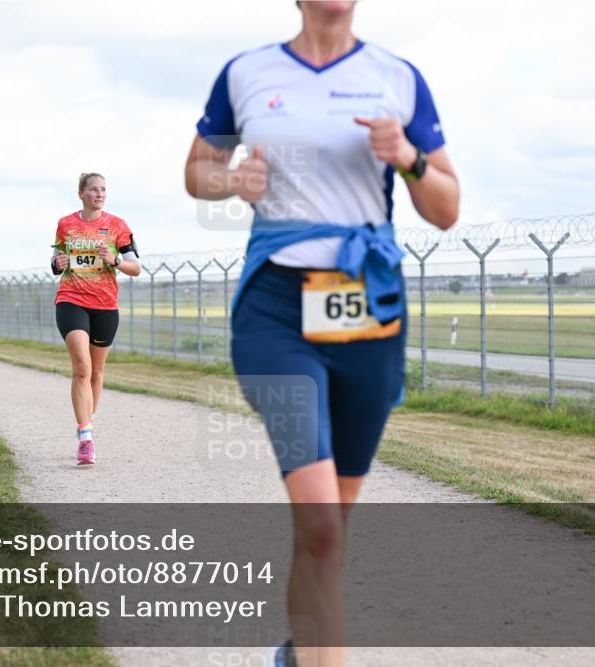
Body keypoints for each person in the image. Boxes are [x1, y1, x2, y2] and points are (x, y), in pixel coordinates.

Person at [185, 2, 460, 664]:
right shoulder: (246, 73)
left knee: (329, 531)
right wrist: (231, 179)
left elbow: (447, 207)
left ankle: (297, 652)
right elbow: (196, 169)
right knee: (318, 522)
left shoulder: (398, 77)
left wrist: (409, 157)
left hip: (366, 306)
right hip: (276, 308)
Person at [52, 172, 141, 465]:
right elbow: (57, 259)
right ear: (81, 193)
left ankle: (86, 422)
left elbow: (135, 268)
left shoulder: (118, 226)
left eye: (103, 189)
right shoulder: (66, 224)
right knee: (82, 368)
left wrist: (114, 259)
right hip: (71, 299)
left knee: (97, 373)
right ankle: (86, 438)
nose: (100, 194)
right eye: (94, 189)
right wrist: (57, 262)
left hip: (105, 304)